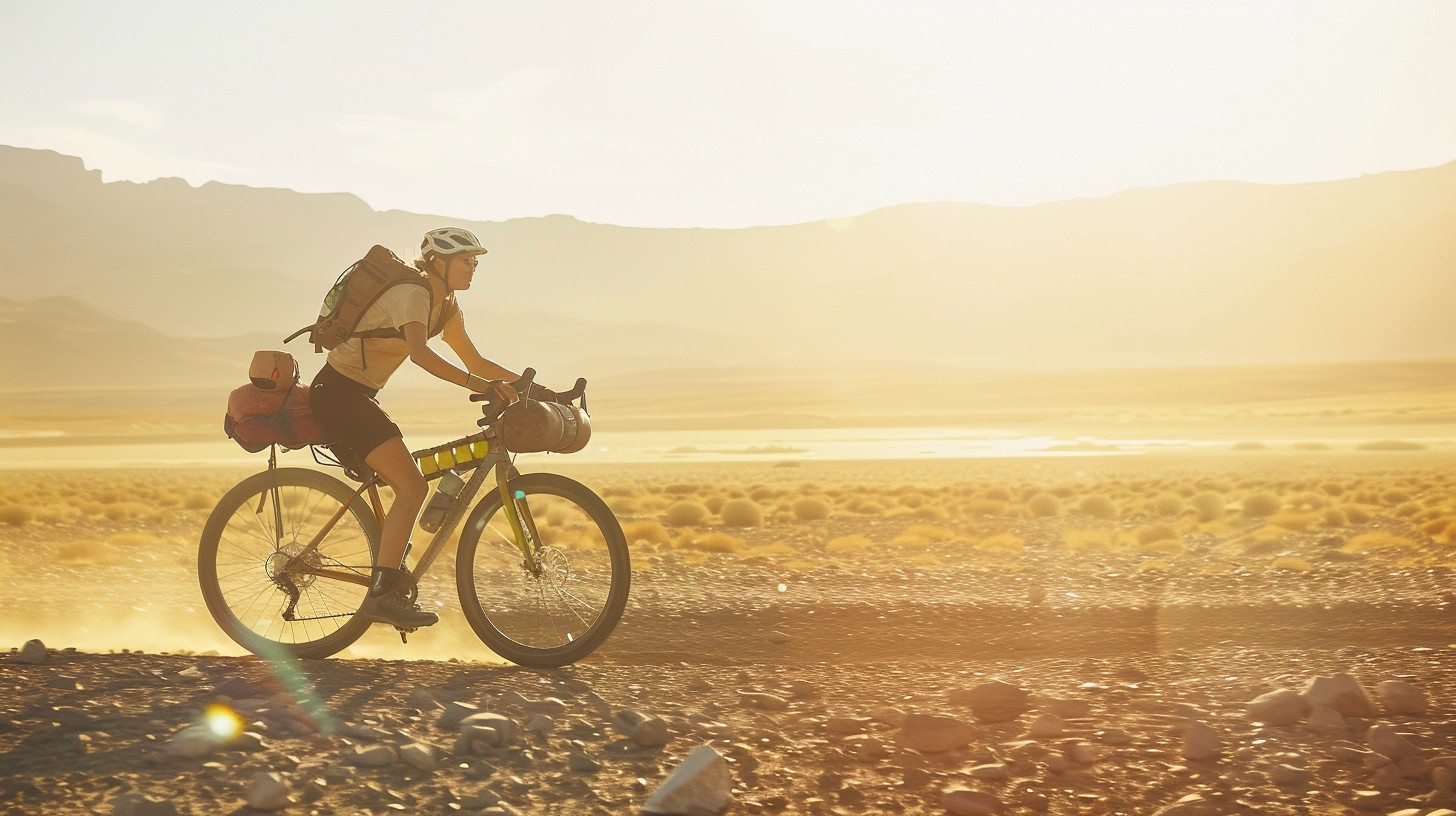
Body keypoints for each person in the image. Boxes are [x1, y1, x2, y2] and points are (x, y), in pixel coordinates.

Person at [308, 227, 551, 629]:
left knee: (409, 482)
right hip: (337, 395)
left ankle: (389, 575)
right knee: (413, 486)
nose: (474, 268)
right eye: (467, 261)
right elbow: (420, 354)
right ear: (440, 262)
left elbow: (476, 361)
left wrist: (540, 392)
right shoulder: (415, 295)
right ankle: (383, 596)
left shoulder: (446, 305)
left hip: (359, 397)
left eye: (476, 262)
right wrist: (480, 387)